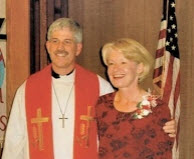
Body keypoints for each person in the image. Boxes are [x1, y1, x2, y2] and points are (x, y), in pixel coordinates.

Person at [2, 18, 175, 159]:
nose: (60, 48)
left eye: (67, 42)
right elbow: (14, 140)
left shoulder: (100, 86)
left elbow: (128, 120)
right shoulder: (28, 88)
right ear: (48, 46)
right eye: (55, 41)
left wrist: (165, 124)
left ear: (78, 48)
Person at [95, 38, 174, 159]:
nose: (116, 69)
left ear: (139, 68)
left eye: (123, 62)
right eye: (111, 63)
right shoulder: (102, 104)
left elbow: (163, 155)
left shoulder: (155, 107)